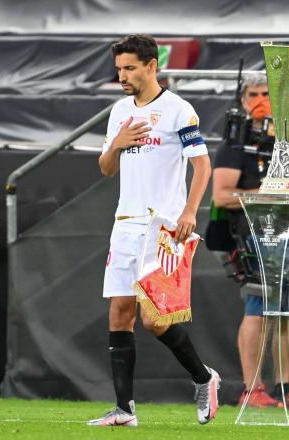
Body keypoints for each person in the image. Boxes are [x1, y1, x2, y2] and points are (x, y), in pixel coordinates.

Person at [88, 34, 219, 427]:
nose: (122, 76)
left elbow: (203, 166)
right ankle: (125, 409)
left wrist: (190, 212)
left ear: (151, 65)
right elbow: (106, 168)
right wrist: (117, 145)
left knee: (154, 320)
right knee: (119, 311)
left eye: (129, 68)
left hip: (162, 228)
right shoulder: (119, 112)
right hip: (125, 224)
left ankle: (204, 377)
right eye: (119, 69)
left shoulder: (179, 110)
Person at [212, 72, 289, 411]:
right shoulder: (234, 146)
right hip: (257, 241)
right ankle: (253, 389)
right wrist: (266, 194)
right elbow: (221, 196)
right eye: (252, 94)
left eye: (266, 93)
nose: (259, 101)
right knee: (260, 314)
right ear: (242, 100)